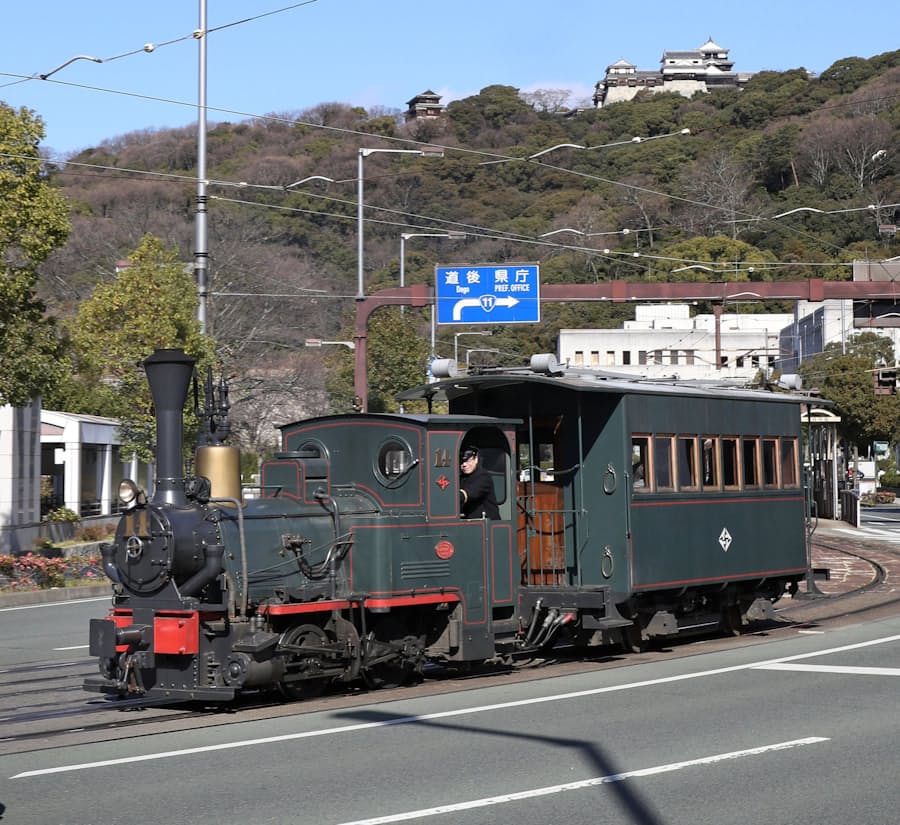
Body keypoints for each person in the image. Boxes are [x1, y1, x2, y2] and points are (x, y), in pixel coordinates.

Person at [459, 446, 500, 520]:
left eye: (468, 460)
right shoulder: (461, 478)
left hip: (488, 525)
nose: (464, 464)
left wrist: (457, 496)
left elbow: (471, 492)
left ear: (476, 460)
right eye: (461, 462)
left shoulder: (484, 477)